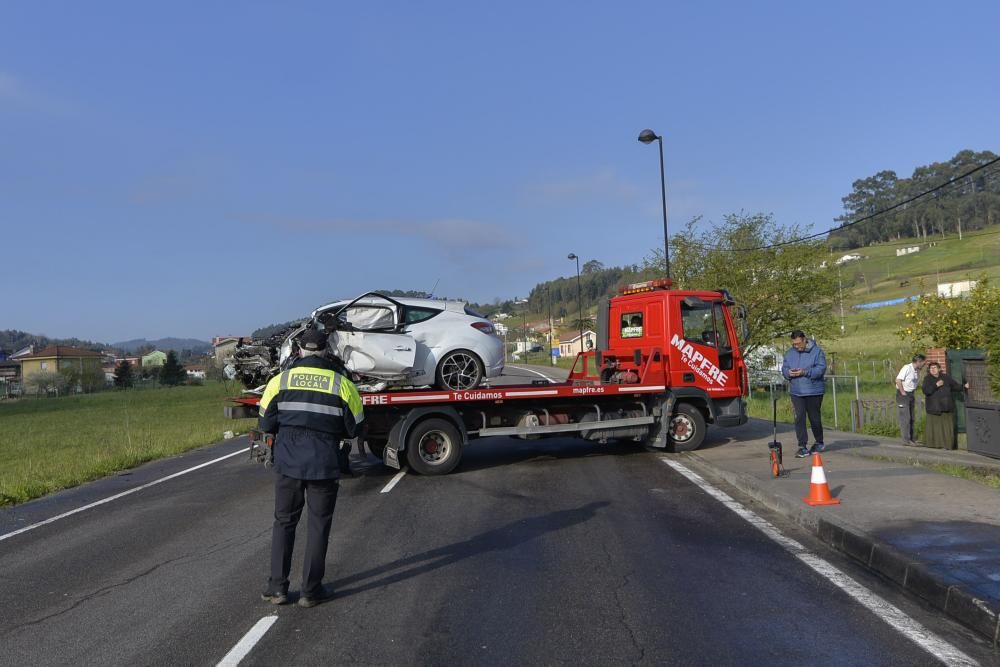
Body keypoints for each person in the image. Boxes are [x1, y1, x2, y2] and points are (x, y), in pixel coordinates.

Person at [258, 327, 365, 608]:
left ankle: (277, 588)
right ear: (326, 351)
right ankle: (310, 591)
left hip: (288, 461)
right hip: (324, 462)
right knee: (318, 527)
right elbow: (356, 428)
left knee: (284, 522)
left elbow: (265, 423)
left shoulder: (280, 381)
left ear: (300, 351)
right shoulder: (341, 384)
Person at [780, 330, 827, 458]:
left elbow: (821, 369)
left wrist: (804, 372)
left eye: (798, 343)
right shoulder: (789, 354)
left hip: (814, 391)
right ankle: (802, 446)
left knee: (814, 418)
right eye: (794, 344)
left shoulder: (817, 352)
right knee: (799, 418)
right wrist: (788, 373)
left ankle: (819, 442)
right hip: (796, 391)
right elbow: (784, 368)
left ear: (804, 340)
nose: (796, 346)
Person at [921, 362, 968, 450]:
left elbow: (955, 386)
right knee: (935, 428)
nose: (933, 369)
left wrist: (964, 386)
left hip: (946, 407)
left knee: (947, 428)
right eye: (931, 368)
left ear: (939, 369)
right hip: (934, 408)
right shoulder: (927, 379)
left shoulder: (946, 377)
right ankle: (934, 445)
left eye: (935, 367)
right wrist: (936, 385)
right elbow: (926, 391)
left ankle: (947, 445)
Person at [895, 354, 926, 445]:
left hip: (911, 394)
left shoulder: (916, 371)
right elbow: (898, 380)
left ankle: (912, 438)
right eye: (923, 363)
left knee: (912, 417)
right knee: (906, 417)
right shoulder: (907, 368)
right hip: (903, 394)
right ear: (918, 362)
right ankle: (906, 440)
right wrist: (902, 392)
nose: (923, 365)